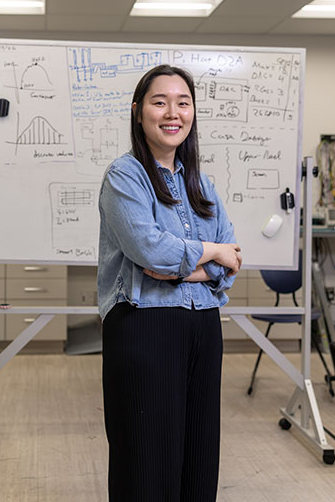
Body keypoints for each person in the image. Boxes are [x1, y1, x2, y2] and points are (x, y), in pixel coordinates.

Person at [97, 64, 241, 502]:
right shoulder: (125, 176)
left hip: (203, 326)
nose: (172, 113)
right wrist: (210, 253)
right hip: (145, 326)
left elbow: (231, 257)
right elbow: (151, 251)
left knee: (199, 458)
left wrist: (195, 263)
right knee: (146, 462)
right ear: (138, 111)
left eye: (183, 103)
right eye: (160, 102)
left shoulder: (201, 184)